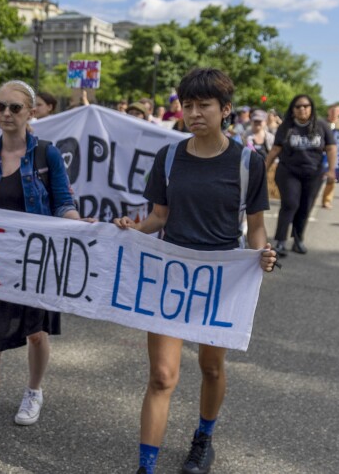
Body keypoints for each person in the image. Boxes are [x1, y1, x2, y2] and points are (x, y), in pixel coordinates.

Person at [113, 68, 277, 474]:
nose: (194, 113)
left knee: (211, 367)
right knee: (162, 377)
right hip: (170, 277)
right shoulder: (169, 157)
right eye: (187, 105)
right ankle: (145, 468)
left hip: (220, 280)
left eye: (204, 105)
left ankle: (203, 439)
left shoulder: (246, 162)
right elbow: (158, 217)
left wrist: (263, 254)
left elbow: (255, 228)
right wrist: (134, 229)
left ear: (225, 110)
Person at [0, 80, 88, 457]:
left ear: (30, 113)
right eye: (0, 107)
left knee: (36, 334)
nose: (6, 114)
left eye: (14, 108)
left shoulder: (47, 154)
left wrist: (78, 223)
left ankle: (34, 390)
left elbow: (62, 201)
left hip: (35, 264)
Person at [263, 94, 336, 257]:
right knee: (290, 204)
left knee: (305, 206)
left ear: (311, 108)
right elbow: (275, 149)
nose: (302, 109)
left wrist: (331, 170)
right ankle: (280, 241)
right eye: (298, 106)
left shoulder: (321, 126)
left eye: (306, 106)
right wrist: (264, 169)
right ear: (293, 109)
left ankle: (298, 239)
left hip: (313, 173)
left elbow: (331, 148)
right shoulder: (287, 126)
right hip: (288, 171)